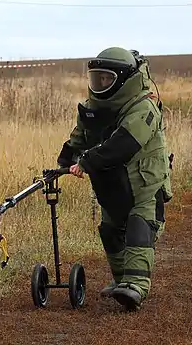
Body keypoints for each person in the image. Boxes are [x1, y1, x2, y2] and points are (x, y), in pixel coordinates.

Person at [57, 47, 173, 312]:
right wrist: (65, 159)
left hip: (145, 182)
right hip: (114, 183)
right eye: (96, 78)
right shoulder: (92, 108)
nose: (100, 84)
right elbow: (80, 137)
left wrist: (86, 162)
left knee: (138, 225)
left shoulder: (144, 107)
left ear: (124, 78)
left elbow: (124, 144)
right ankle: (122, 281)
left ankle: (136, 286)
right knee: (110, 230)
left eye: (106, 79)